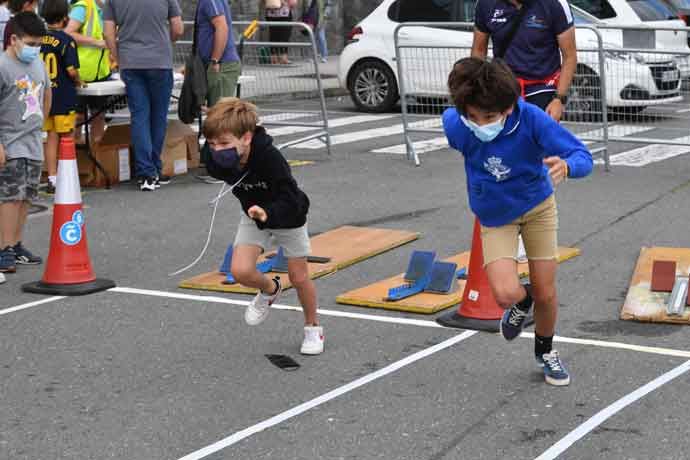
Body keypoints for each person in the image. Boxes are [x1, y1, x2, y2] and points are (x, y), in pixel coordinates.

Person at [442, 58, 592, 386]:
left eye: (490, 117)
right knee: (505, 293)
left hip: (537, 206)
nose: (481, 125)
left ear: (510, 107)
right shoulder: (456, 124)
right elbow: (456, 118)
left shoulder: (533, 121)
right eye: (473, 116)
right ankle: (521, 301)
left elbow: (584, 156)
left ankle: (546, 350)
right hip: (495, 216)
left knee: (546, 292)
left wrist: (567, 167)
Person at [203, 98, 324, 355]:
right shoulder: (216, 157)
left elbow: (292, 198)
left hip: (287, 215)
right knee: (240, 271)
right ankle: (270, 290)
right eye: (212, 144)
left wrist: (269, 213)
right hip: (252, 213)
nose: (216, 149)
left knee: (299, 277)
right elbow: (211, 156)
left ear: (246, 138)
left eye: (224, 144)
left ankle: (313, 328)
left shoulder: (270, 158)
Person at [102, 0, 183, 191]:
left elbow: (108, 33)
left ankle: (146, 173)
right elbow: (178, 28)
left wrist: (118, 57)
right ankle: (155, 167)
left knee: (140, 116)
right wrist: (164, 42)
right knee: (159, 117)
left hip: (131, 62)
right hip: (160, 61)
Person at [0, 12, 52, 274]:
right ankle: (4, 247)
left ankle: (16, 243)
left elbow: (46, 93)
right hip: (10, 141)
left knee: (27, 196)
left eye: (38, 44)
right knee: (9, 196)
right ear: (13, 39)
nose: (35, 48)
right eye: (30, 43)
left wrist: (42, 127)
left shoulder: (38, 63)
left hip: (33, 141)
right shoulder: (2, 66)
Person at [471, 0, 577, 122]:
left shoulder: (555, 4)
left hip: (543, 87)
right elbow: (478, 50)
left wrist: (559, 99)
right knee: (506, 139)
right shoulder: (486, 4)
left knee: (538, 139)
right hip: (504, 87)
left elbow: (570, 56)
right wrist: (476, 89)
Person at [41, 0, 81, 195]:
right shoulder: (66, 40)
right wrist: (80, 81)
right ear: (65, 17)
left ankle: (52, 178)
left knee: (51, 137)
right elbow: (72, 71)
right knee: (67, 136)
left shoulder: (39, 39)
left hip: (45, 97)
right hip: (64, 95)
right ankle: (68, 178)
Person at [64, 0, 111, 145]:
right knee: (77, 117)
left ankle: (98, 155)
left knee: (99, 115)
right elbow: (68, 34)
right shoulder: (84, 7)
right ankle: (75, 157)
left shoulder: (106, 10)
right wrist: (96, 42)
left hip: (101, 73)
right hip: (80, 74)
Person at [195, 0, 242, 109]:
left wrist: (215, 60)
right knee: (215, 113)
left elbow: (222, 27)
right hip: (215, 63)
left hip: (220, 64)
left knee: (219, 116)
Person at [261, 0, 297, 65]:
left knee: (273, 35)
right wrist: (284, 3)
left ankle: (273, 58)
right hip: (284, 14)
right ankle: (283, 58)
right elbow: (293, 3)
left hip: (270, 14)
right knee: (285, 35)